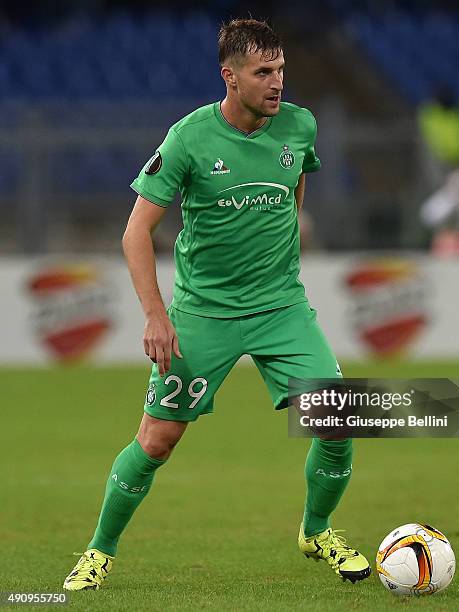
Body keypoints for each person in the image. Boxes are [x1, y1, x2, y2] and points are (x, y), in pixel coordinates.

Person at [63, 18, 371, 591]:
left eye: (280, 69)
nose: (277, 81)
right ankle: (98, 553)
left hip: (281, 308)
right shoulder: (188, 138)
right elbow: (135, 235)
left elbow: (292, 199)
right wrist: (156, 315)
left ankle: (317, 530)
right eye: (263, 72)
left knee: (337, 421)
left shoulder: (300, 126)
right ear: (230, 77)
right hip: (204, 313)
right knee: (157, 439)